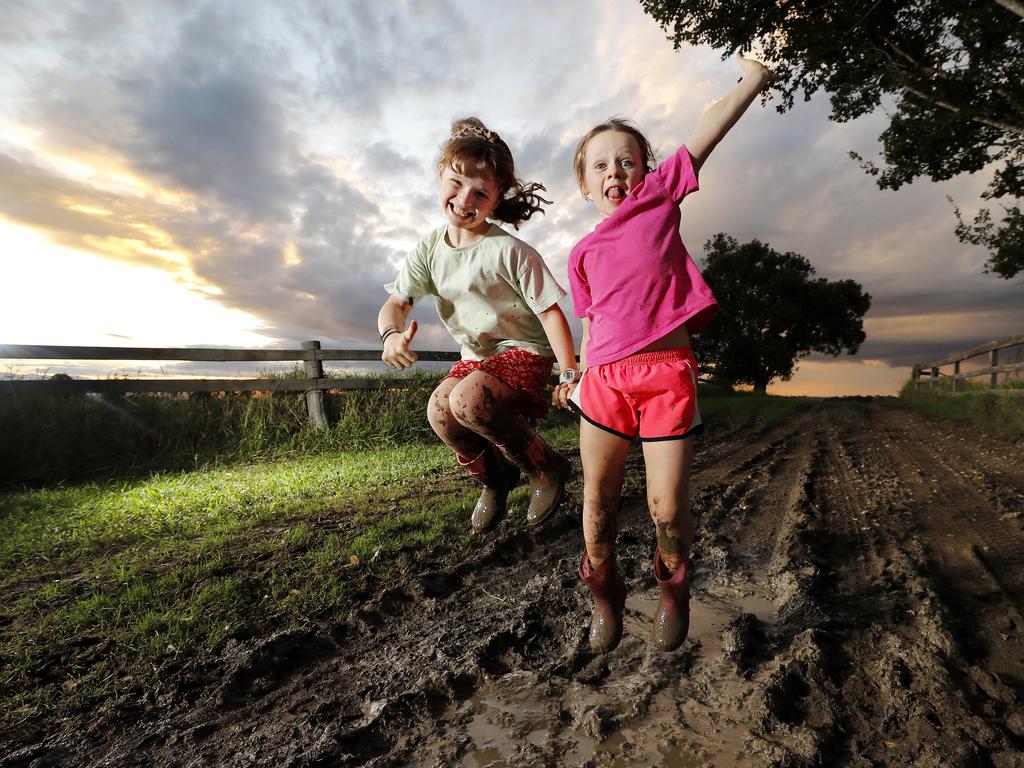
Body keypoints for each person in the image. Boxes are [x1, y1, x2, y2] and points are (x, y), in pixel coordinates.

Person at [554, 54, 779, 653]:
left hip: (665, 377)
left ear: (648, 171)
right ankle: (605, 595)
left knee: (665, 508)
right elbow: (593, 321)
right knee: (597, 502)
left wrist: (754, 78)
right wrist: (572, 373)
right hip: (603, 380)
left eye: (627, 161)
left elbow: (707, 129)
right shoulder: (579, 254)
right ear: (584, 184)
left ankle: (673, 591)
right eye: (600, 165)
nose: (615, 172)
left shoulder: (659, 199)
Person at [378, 117, 578, 535]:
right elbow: (396, 303)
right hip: (479, 360)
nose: (464, 199)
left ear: (496, 199)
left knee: (468, 401)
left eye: (480, 193)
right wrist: (392, 333)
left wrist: (569, 371)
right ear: (440, 175)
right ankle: (495, 479)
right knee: (440, 412)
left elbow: (550, 313)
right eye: (456, 182)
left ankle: (545, 466)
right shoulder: (430, 249)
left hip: (525, 353)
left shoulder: (509, 251)